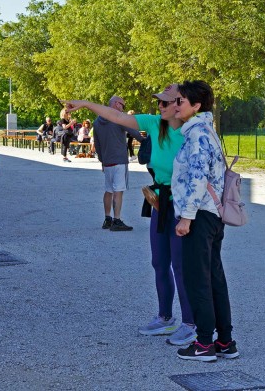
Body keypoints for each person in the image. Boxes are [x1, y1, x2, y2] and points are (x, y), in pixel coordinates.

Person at [64, 84, 197, 347]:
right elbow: (116, 116)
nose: (160, 106)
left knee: (182, 266)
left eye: (165, 102)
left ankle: (191, 323)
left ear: (180, 104)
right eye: (158, 102)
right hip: (161, 200)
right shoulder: (155, 123)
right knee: (159, 262)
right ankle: (165, 317)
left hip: (185, 204)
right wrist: (86, 103)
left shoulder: (192, 130)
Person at [172, 80, 237, 362]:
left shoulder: (198, 134)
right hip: (212, 214)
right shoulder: (207, 130)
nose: (175, 105)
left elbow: (198, 177)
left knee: (198, 280)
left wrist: (186, 217)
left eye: (180, 101)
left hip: (199, 215)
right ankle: (224, 341)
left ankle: (204, 343)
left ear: (196, 105)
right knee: (214, 278)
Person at [92, 97, 142, 231]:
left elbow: (97, 144)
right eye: (122, 105)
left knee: (108, 190)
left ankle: (107, 219)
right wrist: (146, 141)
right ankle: (117, 220)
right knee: (118, 191)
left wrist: (102, 161)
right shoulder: (118, 117)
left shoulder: (97, 122)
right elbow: (134, 132)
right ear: (116, 104)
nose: (123, 109)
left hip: (107, 162)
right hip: (119, 160)